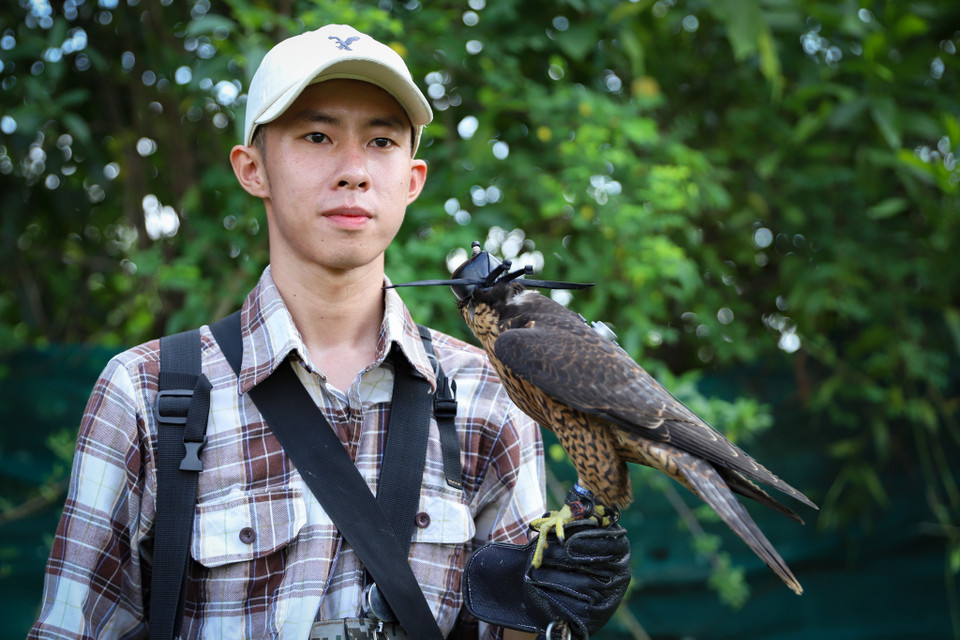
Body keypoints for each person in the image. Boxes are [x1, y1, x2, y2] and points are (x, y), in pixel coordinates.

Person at [29, 24, 628, 640]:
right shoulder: (150, 393)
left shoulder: (488, 392)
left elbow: (506, 630)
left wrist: (549, 606)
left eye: (381, 141)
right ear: (252, 168)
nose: (354, 170)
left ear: (413, 179)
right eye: (317, 136)